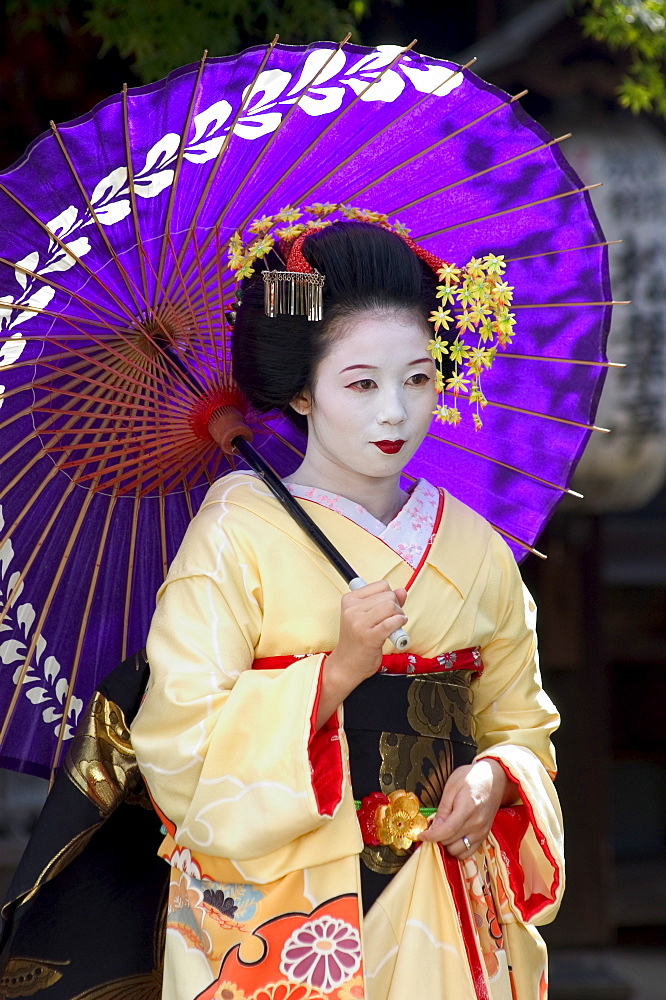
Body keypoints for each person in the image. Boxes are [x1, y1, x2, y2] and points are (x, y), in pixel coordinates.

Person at [130, 221, 564, 1000]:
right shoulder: (237, 529)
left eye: (419, 378)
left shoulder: (474, 546)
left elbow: (520, 724)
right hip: (290, 913)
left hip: (443, 890)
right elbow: (176, 740)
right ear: (302, 389)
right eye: (361, 384)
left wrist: (498, 778)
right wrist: (332, 675)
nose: (394, 413)